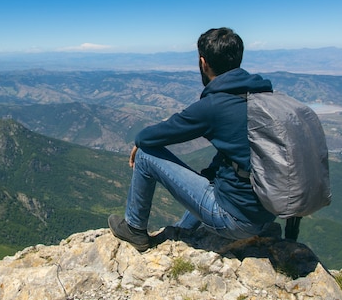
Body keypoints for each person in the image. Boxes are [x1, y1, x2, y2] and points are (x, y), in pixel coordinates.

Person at [108, 27, 276, 251]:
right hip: (268, 211)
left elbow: (148, 136)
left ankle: (135, 229)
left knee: (146, 154)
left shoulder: (215, 105)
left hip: (237, 219)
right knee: (212, 174)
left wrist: (139, 143)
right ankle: (184, 231)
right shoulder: (261, 96)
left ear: (203, 63)